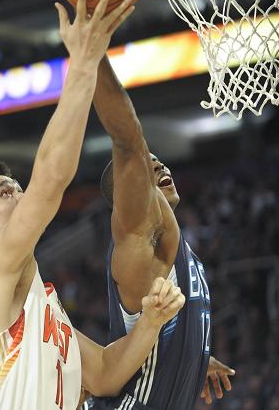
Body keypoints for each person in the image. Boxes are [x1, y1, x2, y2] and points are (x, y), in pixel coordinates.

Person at [0, 0, 186, 410]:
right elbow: (50, 182)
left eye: (19, 187)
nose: (21, 195)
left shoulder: (41, 307)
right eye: (5, 192)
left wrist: (151, 321)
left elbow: (107, 374)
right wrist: (84, 64)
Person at [86, 54, 235, 409]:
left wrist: (193, 358)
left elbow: (163, 334)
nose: (160, 166)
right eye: (149, 169)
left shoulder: (178, 252)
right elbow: (126, 139)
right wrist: (92, 53)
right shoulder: (139, 241)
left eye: (159, 162)